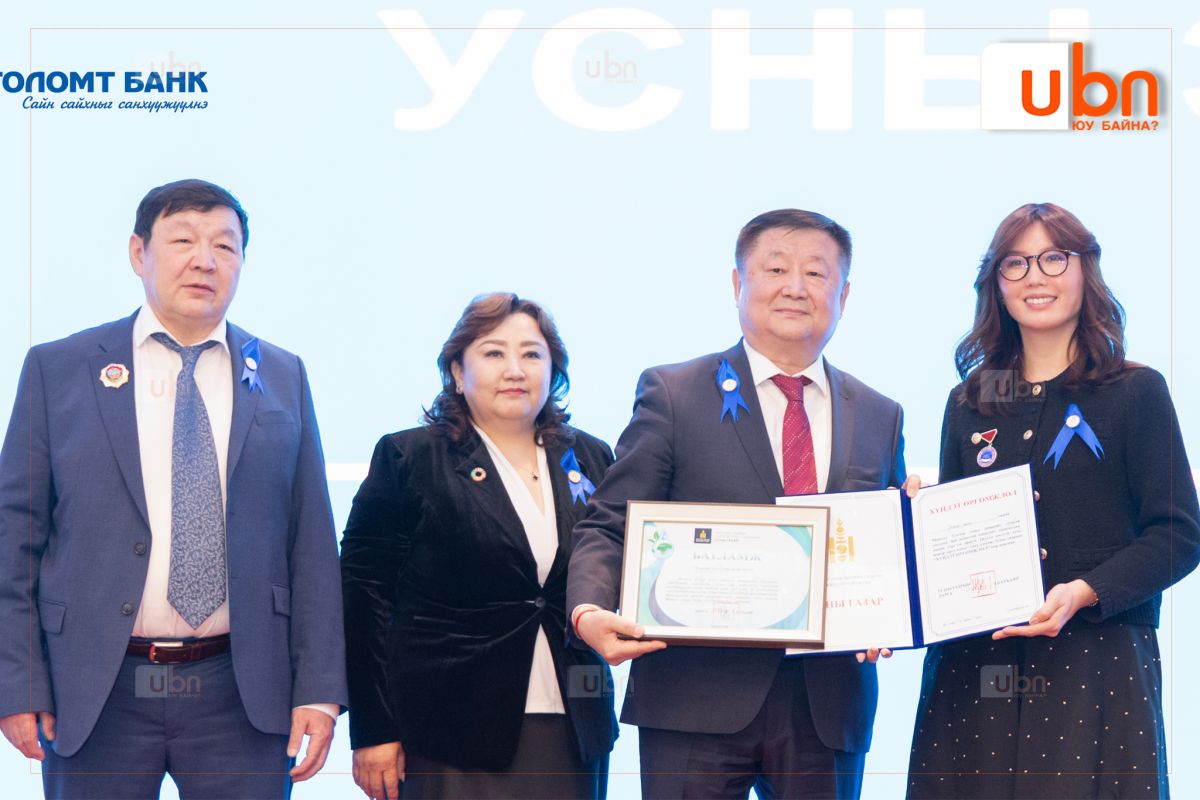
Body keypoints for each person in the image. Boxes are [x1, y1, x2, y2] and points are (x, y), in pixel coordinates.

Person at [0, 179, 348, 799]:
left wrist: (319, 690)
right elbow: (15, 538)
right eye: (183, 241)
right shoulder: (59, 368)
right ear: (139, 253)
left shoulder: (282, 374)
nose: (204, 260)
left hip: (240, 690)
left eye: (225, 246)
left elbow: (312, 544)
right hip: (97, 687)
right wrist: (18, 682)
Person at [568, 209, 913, 799]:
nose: (795, 287)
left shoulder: (881, 414)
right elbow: (610, 521)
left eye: (816, 273)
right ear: (737, 283)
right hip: (692, 695)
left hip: (828, 706)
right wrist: (587, 610)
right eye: (775, 269)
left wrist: (900, 589)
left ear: (844, 294)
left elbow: (886, 549)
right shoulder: (674, 393)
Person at [906, 203, 1200, 799]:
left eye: (1053, 258)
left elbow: (1178, 534)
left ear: (1085, 269)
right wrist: (918, 521)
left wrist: (1085, 590)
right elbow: (953, 547)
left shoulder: (1135, 390)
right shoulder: (969, 401)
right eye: (1015, 263)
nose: (1035, 277)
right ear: (995, 283)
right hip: (977, 668)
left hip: (1097, 664)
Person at [342, 292, 619, 800]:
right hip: (449, 729)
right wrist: (373, 728)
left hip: (574, 720)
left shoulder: (591, 456)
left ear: (554, 369)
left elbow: (616, 565)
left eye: (532, 354)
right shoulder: (410, 458)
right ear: (457, 370)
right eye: (493, 353)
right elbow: (364, 597)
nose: (515, 369)